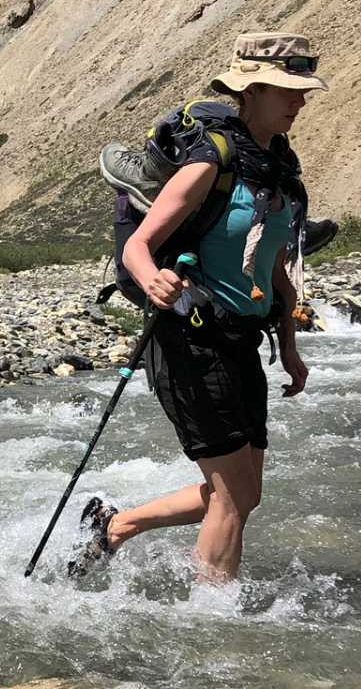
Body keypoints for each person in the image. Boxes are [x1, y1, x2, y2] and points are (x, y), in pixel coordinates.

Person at [76, 32, 323, 583]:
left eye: (303, 90)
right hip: (190, 338)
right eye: (287, 89)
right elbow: (138, 245)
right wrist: (151, 279)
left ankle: (116, 526)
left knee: (243, 492)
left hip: (242, 342)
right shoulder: (211, 161)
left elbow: (276, 270)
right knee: (234, 497)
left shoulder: (279, 167)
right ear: (250, 90)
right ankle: (215, 621)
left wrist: (289, 346)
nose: (299, 100)